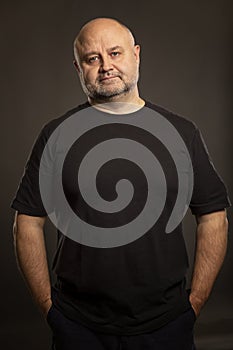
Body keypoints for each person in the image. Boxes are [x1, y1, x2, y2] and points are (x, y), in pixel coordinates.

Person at [12, 17, 231, 350]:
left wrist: (195, 302)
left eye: (115, 53)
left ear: (136, 55)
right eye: (92, 58)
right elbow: (26, 222)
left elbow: (214, 215)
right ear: (78, 67)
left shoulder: (181, 133)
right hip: (78, 326)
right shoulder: (56, 135)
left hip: (167, 323)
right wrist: (49, 308)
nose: (105, 66)